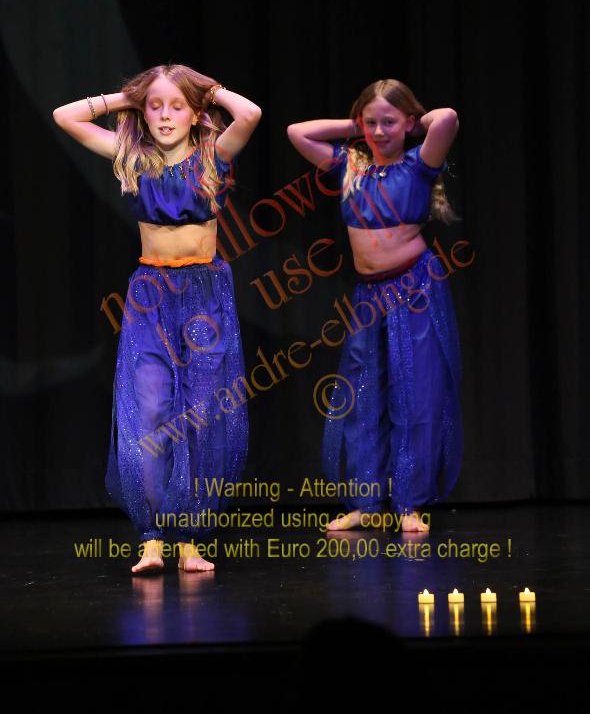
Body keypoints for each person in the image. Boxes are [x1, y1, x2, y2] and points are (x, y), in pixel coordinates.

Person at [53, 64, 261, 571]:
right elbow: (65, 116)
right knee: (148, 413)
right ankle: (151, 537)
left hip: (205, 294)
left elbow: (250, 113)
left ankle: (189, 538)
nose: (165, 115)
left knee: (201, 414)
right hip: (151, 296)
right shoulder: (133, 158)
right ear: (142, 113)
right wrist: (125, 98)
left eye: (177, 106)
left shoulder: (213, 156)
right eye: (155, 106)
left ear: (195, 114)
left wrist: (207, 90)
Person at [287, 79, 463, 532]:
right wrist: (356, 127)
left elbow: (446, 119)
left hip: (414, 290)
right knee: (363, 395)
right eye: (372, 123)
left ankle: (409, 504)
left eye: (389, 122)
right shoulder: (350, 167)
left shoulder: (419, 164)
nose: (380, 131)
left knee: (414, 394)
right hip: (369, 295)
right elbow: (296, 132)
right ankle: (366, 502)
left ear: (409, 122)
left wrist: (412, 124)